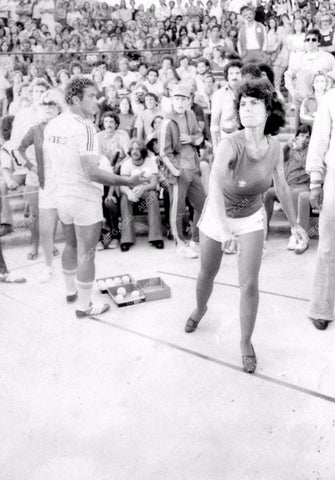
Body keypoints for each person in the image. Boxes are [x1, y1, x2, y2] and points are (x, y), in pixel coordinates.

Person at [185, 79, 308, 373]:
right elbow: (214, 181)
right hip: (218, 216)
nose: (246, 109)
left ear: (268, 111)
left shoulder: (275, 147)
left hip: (251, 217)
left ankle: (245, 341)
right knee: (207, 273)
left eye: (254, 104)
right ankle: (200, 309)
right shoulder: (230, 143)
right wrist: (225, 229)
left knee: (250, 283)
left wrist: (296, 225)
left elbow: (279, 184)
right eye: (243, 104)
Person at [44, 76, 147, 318]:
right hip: (84, 198)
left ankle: (71, 292)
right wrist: (126, 180)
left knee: (70, 245)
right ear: (75, 98)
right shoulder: (86, 127)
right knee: (86, 253)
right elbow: (91, 172)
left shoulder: (53, 124)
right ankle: (84, 306)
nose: (96, 100)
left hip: (62, 196)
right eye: (90, 96)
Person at [16, 89, 65, 282]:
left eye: (52, 106)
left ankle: (72, 266)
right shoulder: (35, 129)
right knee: (46, 224)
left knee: (67, 222)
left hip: (64, 182)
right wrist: (30, 166)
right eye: (45, 106)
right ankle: (48, 267)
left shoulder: (64, 128)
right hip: (45, 182)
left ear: (58, 109)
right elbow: (18, 149)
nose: (48, 110)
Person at [159, 83, 206, 259]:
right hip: (178, 171)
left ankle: (195, 240)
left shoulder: (191, 114)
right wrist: (176, 171)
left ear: (188, 101)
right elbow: (164, 153)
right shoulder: (166, 122)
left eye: (184, 99)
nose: (180, 102)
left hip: (193, 167)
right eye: (177, 98)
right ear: (172, 99)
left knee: (202, 204)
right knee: (177, 209)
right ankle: (179, 244)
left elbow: (200, 136)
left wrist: (192, 139)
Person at [305, 87, 335, 330]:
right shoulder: (331, 98)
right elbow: (319, 141)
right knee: (328, 246)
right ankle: (321, 307)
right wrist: (316, 182)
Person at [119, 139, 164, 251]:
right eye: (133, 149)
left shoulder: (150, 162)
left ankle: (156, 237)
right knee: (124, 199)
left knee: (152, 196)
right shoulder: (126, 164)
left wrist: (143, 187)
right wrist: (129, 192)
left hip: (146, 190)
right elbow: (122, 185)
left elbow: (153, 184)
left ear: (143, 151)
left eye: (138, 149)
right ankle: (126, 239)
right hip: (131, 192)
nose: (135, 151)